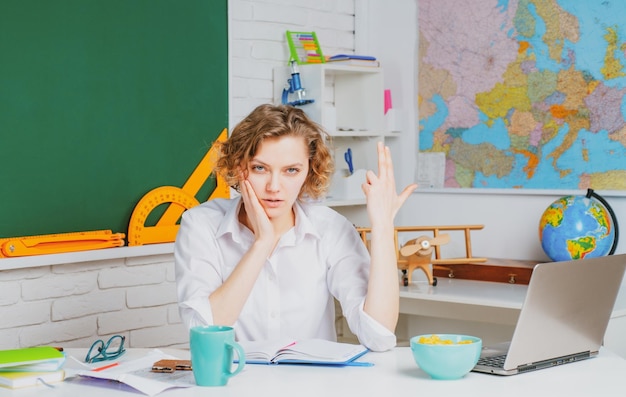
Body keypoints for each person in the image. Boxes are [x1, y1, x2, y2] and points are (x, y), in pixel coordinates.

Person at [174, 104, 416, 351]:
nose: (274, 187)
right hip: (233, 383)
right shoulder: (200, 225)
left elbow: (379, 337)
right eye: (260, 168)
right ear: (238, 166)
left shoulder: (331, 228)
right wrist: (262, 243)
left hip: (311, 385)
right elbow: (203, 331)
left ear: (309, 172)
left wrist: (383, 225)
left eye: (291, 170)